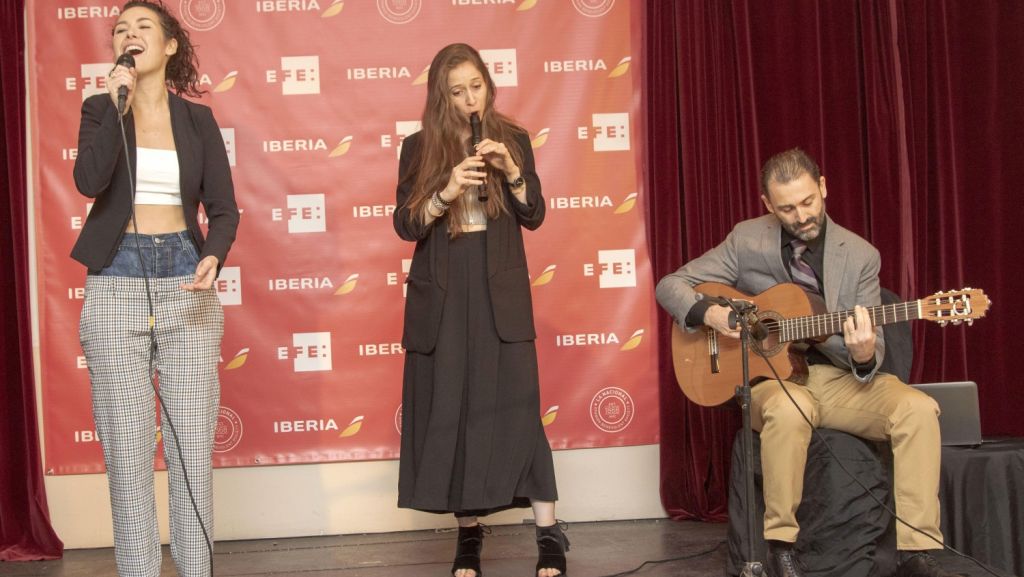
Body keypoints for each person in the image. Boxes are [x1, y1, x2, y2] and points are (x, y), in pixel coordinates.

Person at [655, 148, 956, 577]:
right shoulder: (747, 239)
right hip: (772, 379)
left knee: (918, 409)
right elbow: (671, 285)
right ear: (767, 205)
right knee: (787, 411)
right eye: (787, 208)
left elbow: (874, 360)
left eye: (808, 202)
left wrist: (863, 352)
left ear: (823, 187)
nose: (801, 216)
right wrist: (711, 313)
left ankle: (916, 552)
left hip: (836, 376)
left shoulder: (860, 256)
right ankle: (781, 545)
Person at [71, 1, 238, 575]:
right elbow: (88, 181)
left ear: (169, 47)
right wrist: (117, 107)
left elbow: (223, 208)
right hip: (116, 277)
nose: (129, 34)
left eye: (143, 27)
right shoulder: (100, 109)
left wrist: (214, 255)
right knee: (127, 449)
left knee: (191, 446)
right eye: (120, 29)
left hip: (185, 281)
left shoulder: (197, 120)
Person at [393, 43, 568, 577]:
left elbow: (533, 213)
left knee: (519, 408)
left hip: (499, 292)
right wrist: (445, 190)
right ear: (440, 97)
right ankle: (468, 536)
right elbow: (406, 224)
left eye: (477, 86)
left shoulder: (512, 138)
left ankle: (549, 533)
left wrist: (512, 170)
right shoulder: (417, 146)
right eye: (457, 90)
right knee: (454, 410)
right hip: (445, 292)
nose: (470, 99)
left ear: (489, 85)